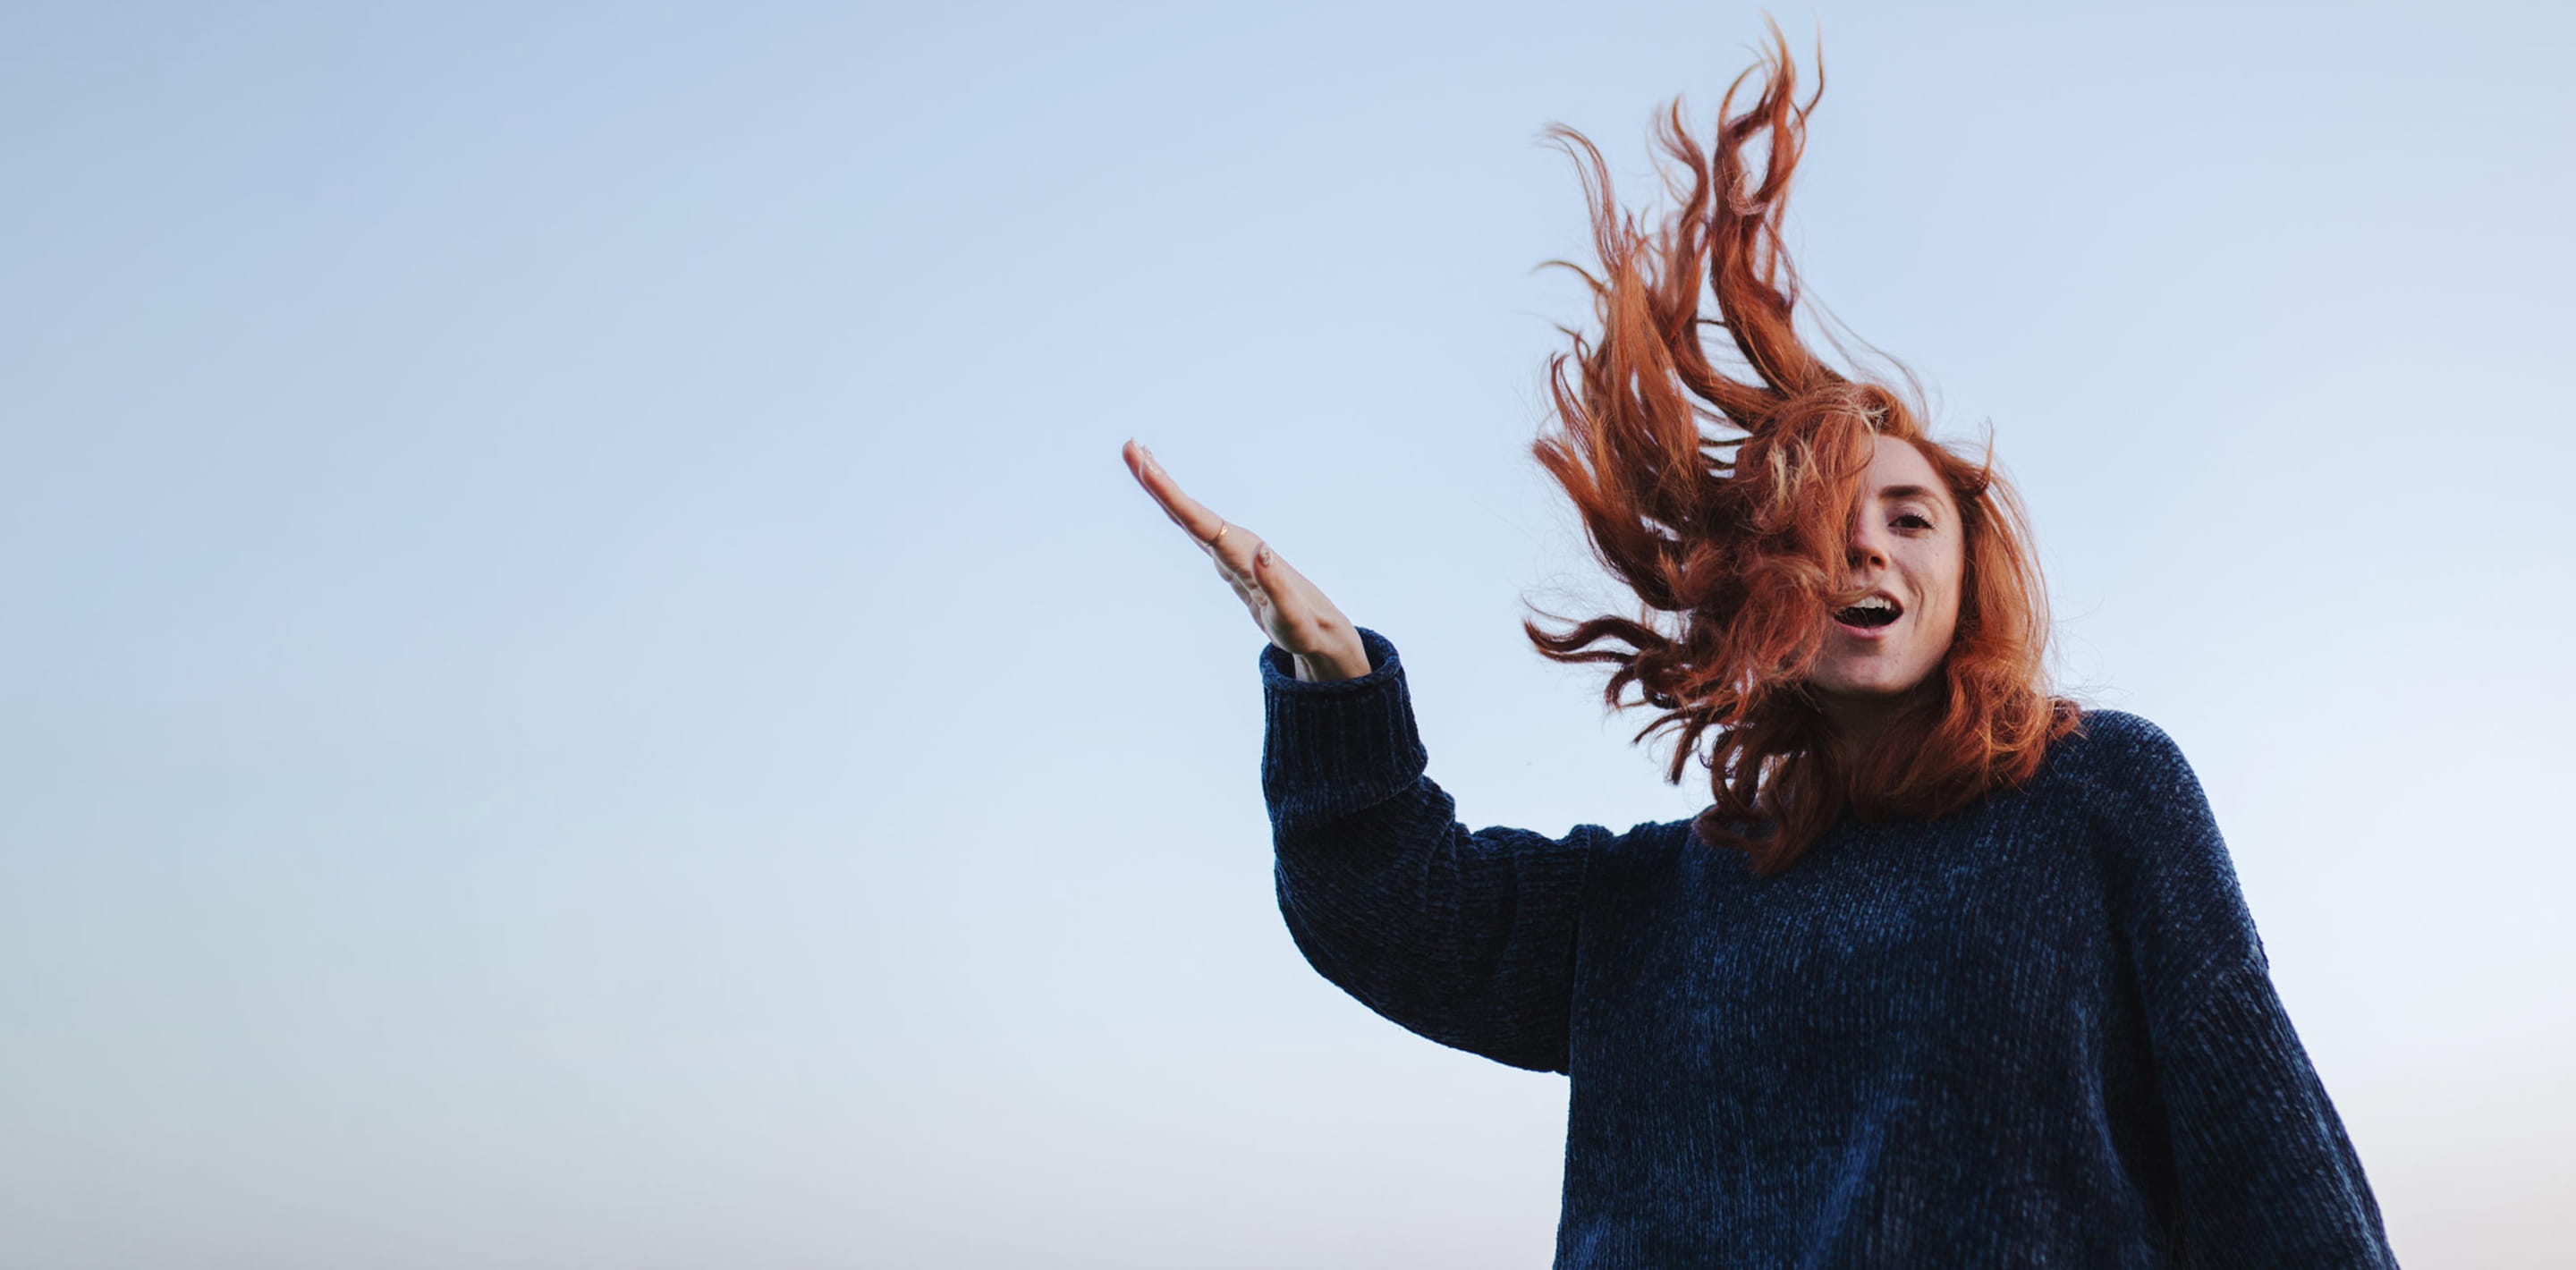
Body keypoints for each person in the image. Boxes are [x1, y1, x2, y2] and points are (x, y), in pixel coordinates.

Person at [1121, 24, 2396, 1269]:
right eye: (1823, 526)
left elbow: (2267, 1155)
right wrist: (1332, 679)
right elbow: (1388, 911)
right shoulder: (1657, 906)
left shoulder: (2101, 793)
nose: (1868, 551)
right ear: (1758, 592)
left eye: (1909, 519)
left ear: (1968, 578)